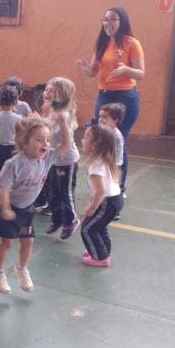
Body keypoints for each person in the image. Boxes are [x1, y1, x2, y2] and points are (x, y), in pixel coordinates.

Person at [76, 6, 144, 197]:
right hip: (105, 96)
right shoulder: (102, 43)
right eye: (105, 19)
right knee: (103, 139)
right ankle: (103, 184)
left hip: (126, 98)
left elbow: (141, 73)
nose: (108, 23)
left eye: (113, 19)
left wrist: (126, 70)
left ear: (122, 21)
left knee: (117, 140)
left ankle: (119, 187)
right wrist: (86, 68)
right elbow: (93, 72)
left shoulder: (132, 43)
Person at [0, 116, 58, 294]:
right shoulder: (14, 164)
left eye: (48, 140)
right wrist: (6, 208)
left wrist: (63, 122)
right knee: (7, 242)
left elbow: (67, 148)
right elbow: (3, 188)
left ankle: (22, 268)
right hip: (10, 208)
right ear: (25, 142)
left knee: (28, 241)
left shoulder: (46, 159)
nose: (45, 144)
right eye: (40, 140)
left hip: (26, 209)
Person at [41, 77, 81, 239]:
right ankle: (57, 219)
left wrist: (60, 155)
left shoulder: (63, 114)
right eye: (46, 90)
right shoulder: (53, 108)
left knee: (65, 192)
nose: (46, 93)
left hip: (66, 160)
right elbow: (47, 125)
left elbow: (66, 141)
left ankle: (71, 220)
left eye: (51, 91)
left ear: (61, 95)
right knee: (52, 192)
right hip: (54, 159)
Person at [79, 125, 123, 267]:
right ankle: (101, 251)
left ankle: (100, 258)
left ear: (94, 145)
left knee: (87, 229)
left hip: (107, 202)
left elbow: (101, 191)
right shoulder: (103, 160)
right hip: (115, 200)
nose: (82, 140)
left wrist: (92, 208)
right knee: (99, 227)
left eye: (86, 138)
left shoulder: (96, 166)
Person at [98, 102, 126, 220]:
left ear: (115, 120)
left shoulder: (116, 136)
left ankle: (115, 210)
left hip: (112, 166)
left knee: (111, 188)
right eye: (100, 116)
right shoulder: (104, 131)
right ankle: (100, 204)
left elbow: (117, 157)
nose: (101, 119)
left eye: (105, 117)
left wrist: (111, 167)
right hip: (103, 164)